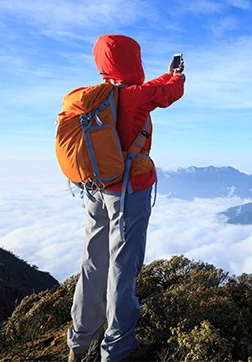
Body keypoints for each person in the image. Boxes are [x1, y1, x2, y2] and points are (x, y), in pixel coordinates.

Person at [67, 34, 185, 361]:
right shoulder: (136, 97)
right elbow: (169, 91)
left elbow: (155, 88)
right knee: (123, 265)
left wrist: (168, 74)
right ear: (134, 60)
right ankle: (118, 348)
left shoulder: (96, 99)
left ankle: (80, 342)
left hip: (95, 189)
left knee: (93, 261)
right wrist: (177, 75)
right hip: (128, 193)